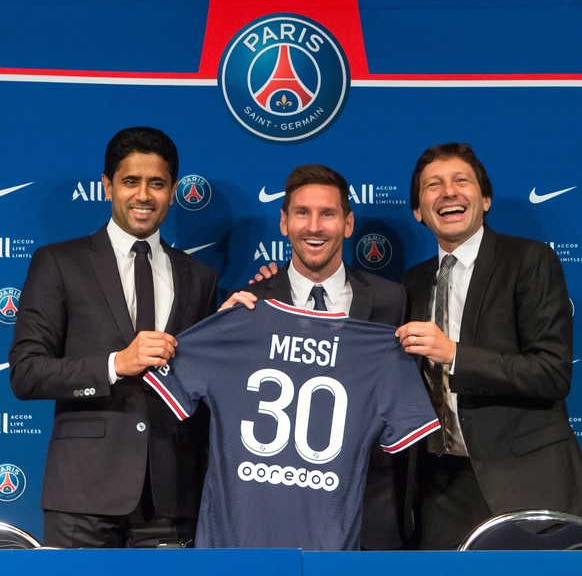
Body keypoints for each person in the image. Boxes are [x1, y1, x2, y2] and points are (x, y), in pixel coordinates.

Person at [9, 126, 217, 548]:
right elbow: (26, 373)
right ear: (107, 186)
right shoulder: (58, 262)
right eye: (130, 182)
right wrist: (115, 364)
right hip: (81, 495)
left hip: (170, 497)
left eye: (156, 184)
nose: (143, 195)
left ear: (173, 191)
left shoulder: (200, 277)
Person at [394, 142, 582, 549]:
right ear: (417, 210)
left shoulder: (528, 260)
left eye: (461, 180)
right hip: (438, 489)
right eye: (433, 185)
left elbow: (552, 372)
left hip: (525, 482)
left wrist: (455, 354)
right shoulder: (412, 281)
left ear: (485, 198)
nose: (448, 192)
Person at [225, 163, 411, 550]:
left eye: (327, 213)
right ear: (283, 222)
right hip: (273, 495)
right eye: (302, 213)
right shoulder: (247, 305)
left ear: (347, 223)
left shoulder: (391, 299)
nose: (314, 226)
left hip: (368, 495)